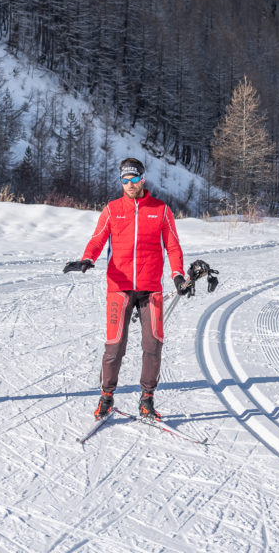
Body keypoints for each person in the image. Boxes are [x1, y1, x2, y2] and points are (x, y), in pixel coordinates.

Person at [64, 156, 196, 421]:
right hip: (119, 286)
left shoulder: (161, 209)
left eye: (134, 178)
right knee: (114, 346)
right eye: (125, 179)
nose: (130, 184)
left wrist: (178, 275)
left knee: (153, 345)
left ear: (142, 179)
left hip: (150, 288)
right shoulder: (112, 209)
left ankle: (147, 399)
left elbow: (172, 245)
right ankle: (106, 398)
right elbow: (98, 238)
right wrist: (88, 258)